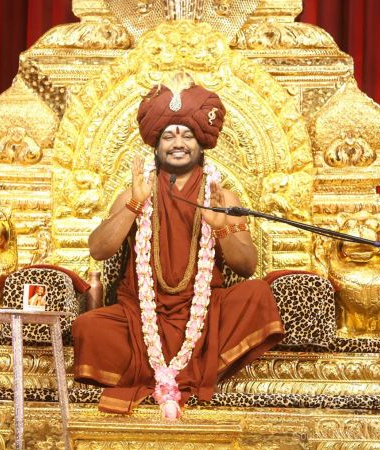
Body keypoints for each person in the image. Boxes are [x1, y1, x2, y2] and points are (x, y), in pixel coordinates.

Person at [72, 78, 284, 418]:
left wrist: (222, 227)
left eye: (187, 135)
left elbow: (246, 265)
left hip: (207, 315)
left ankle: (170, 374)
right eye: (169, 136)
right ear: (156, 145)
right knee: (89, 327)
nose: (178, 143)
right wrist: (134, 206)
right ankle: (182, 373)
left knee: (257, 294)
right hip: (141, 317)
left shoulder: (223, 198)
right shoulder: (135, 194)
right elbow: (98, 249)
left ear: (201, 143)